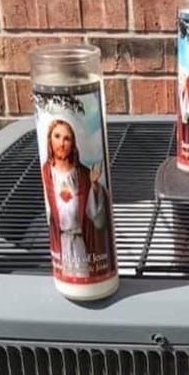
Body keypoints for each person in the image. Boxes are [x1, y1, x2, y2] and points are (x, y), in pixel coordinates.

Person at [40, 118, 113, 281]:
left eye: (67, 138)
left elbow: (96, 218)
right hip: (60, 243)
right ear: (49, 140)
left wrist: (94, 186)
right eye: (57, 136)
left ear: (73, 143)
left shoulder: (82, 175)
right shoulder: (46, 173)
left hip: (80, 244)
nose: (62, 143)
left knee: (82, 278)